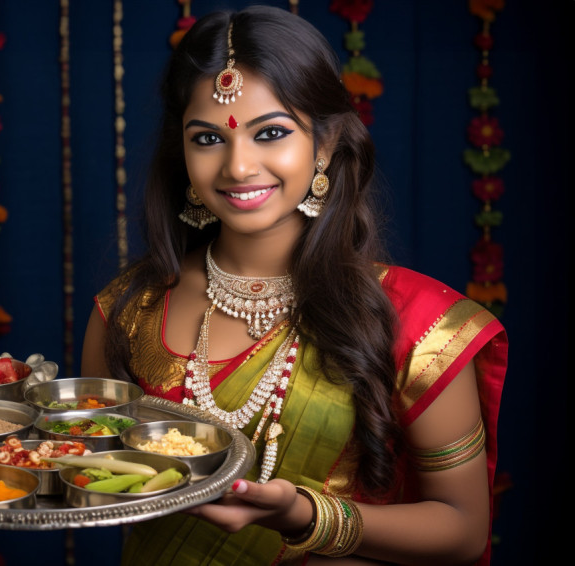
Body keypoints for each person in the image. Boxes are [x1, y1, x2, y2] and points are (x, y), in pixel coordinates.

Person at [80, 5, 507, 565]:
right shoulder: (130, 310)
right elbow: (86, 467)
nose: (238, 166)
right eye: (207, 138)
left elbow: (463, 529)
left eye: (272, 133)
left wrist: (304, 516)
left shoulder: (416, 321)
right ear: (181, 154)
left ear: (325, 145)